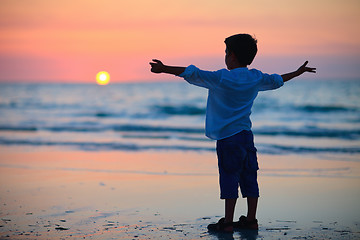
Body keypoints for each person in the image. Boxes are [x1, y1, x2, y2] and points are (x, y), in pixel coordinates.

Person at [149, 33, 316, 233]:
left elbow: (192, 73)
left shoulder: (221, 78)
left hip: (228, 139)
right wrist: (298, 72)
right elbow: (277, 80)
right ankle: (251, 219)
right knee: (250, 177)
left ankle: (228, 222)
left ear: (233, 56)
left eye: (226, 52)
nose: (225, 56)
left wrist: (164, 68)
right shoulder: (255, 77)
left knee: (229, 178)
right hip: (246, 136)